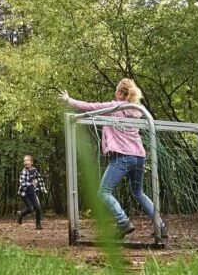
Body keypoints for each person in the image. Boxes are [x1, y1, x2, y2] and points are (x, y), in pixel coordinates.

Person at [59, 78, 167, 238]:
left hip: (123, 156)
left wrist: (68, 100)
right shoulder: (137, 109)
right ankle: (161, 225)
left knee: (104, 192)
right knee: (138, 193)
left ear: (119, 92)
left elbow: (90, 106)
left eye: (116, 90)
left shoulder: (114, 106)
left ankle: (123, 222)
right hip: (139, 156)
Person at [17, 155, 47, 230]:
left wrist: (43, 188)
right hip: (25, 193)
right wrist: (31, 184)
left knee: (38, 207)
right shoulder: (23, 172)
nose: (25, 162)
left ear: (31, 162)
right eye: (24, 161)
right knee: (30, 209)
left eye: (27, 160)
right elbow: (22, 183)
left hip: (32, 192)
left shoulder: (34, 170)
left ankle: (38, 224)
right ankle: (20, 214)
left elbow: (39, 179)